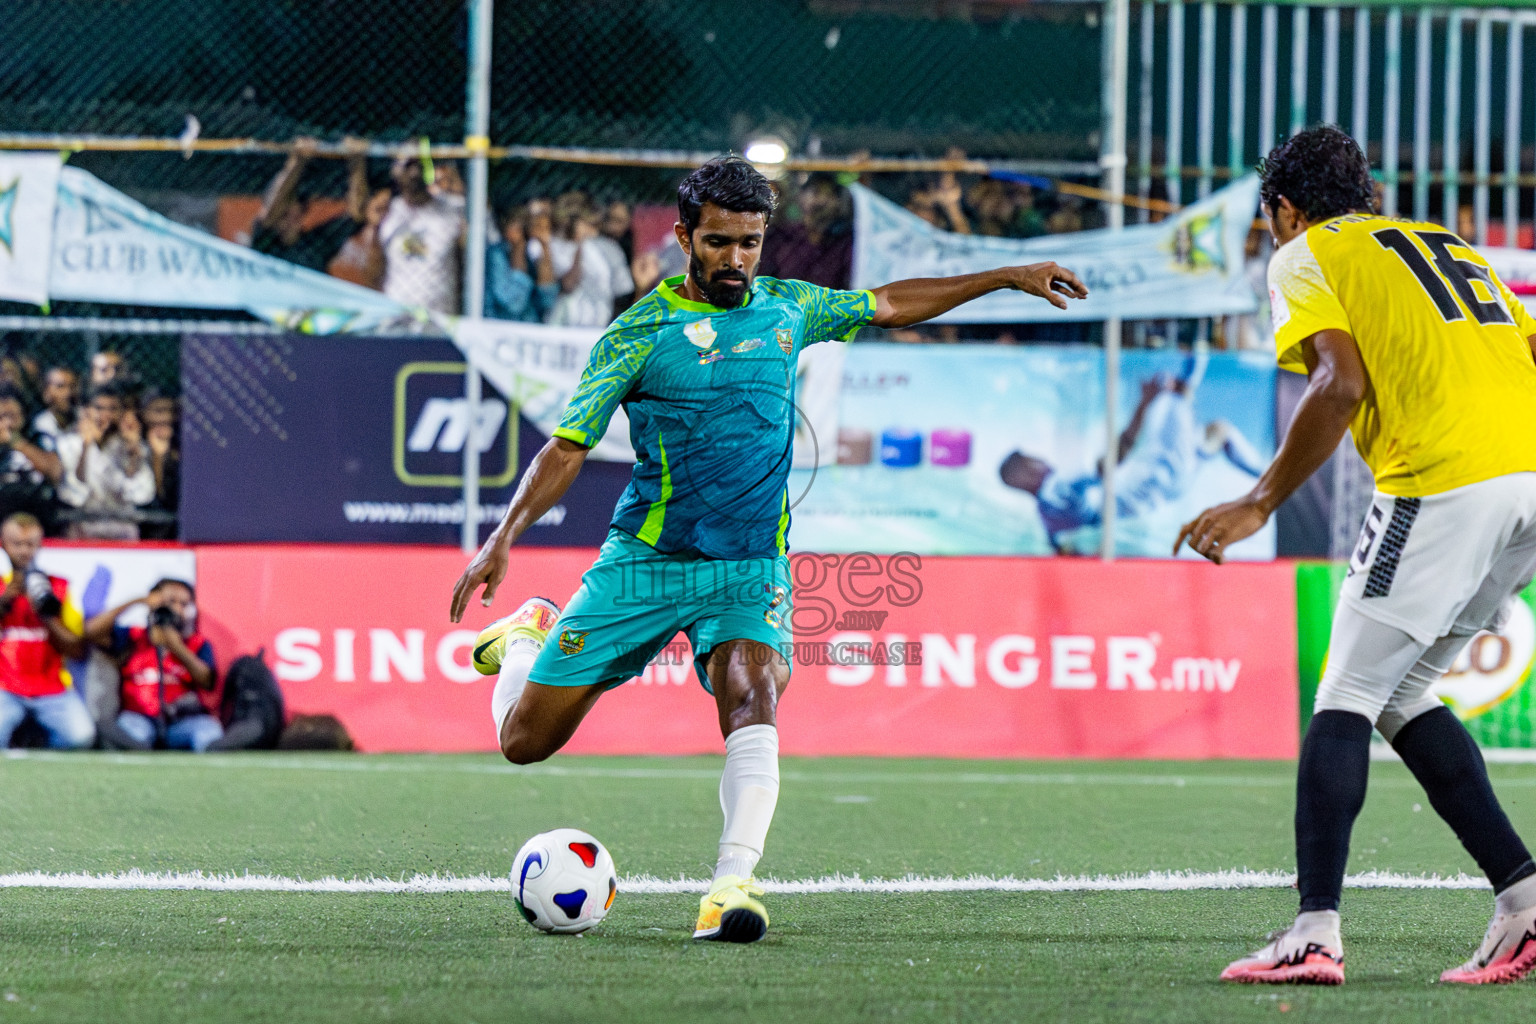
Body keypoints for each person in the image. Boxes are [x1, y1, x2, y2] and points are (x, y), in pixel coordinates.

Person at [449, 156, 1087, 944]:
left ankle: (731, 885)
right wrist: (502, 539)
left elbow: (889, 303)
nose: (737, 260)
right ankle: (523, 638)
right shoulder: (638, 333)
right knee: (523, 743)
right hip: (647, 561)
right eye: (718, 243)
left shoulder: (788, 309)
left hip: (749, 566)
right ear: (683, 237)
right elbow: (568, 446)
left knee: (753, 689)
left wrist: (1003, 276)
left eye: (750, 242)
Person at [1178, 125, 1536, 986]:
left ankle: (1312, 933)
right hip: (1526, 480)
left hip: (1442, 480)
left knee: (1346, 692)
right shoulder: (1445, 244)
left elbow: (1337, 383)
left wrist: (1258, 500)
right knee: (1402, 692)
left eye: (1273, 219)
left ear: (1285, 209)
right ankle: (1525, 906)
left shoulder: (1306, 254)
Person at [999, 355, 1264, 554]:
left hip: (1157, 496)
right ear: (1025, 473)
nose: (1042, 460)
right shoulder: (1058, 487)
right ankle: (1268, 480)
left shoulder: (1047, 516)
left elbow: (1057, 547)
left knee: (1217, 431)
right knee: (1186, 400)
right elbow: (1112, 462)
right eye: (1032, 459)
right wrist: (1143, 404)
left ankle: (1266, 478)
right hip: (1158, 478)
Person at [84, 578, 220, 752]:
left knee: (209, 732)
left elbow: (208, 681)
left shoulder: (196, 643)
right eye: (170, 601)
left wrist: (175, 646)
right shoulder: (133, 636)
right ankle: (137, 749)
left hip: (182, 721)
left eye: (184, 604)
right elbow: (91, 631)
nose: (177, 608)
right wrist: (138, 601)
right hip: (138, 718)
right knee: (127, 732)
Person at [0, 512, 91, 749]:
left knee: (81, 737)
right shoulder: (2, 587)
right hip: (5, 686)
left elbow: (76, 649)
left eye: (30, 544)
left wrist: (46, 613)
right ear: (3, 544)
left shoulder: (58, 586)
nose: (23, 551)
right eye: (16, 544)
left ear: (40, 545)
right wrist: (5, 601)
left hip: (51, 688)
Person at [365, 148, 466, 314]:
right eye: (408, 165)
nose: (414, 173)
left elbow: (463, 265)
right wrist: (375, 228)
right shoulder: (388, 212)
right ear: (396, 171)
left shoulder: (451, 212)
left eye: (419, 165)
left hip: (439, 316)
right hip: (397, 314)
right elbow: (374, 273)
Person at [251, 136, 371, 274]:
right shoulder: (263, 243)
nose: (290, 220)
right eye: (283, 215)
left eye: (294, 214)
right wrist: (297, 161)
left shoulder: (316, 244)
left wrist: (357, 162)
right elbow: (273, 209)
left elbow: (357, 215)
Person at [55, 382, 156, 540]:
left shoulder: (132, 444)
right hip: (83, 524)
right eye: (99, 408)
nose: (106, 415)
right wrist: (85, 447)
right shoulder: (68, 443)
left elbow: (140, 495)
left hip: (122, 526)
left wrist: (133, 452)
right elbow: (73, 493)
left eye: (113, 409)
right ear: (87, 410)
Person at [536, 192, 635, 327]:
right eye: (587, 224)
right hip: (562, 326)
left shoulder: (610, 249)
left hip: (599, 328)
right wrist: (580, 247)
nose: (593, 231)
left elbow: (622, 294)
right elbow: (567, 285)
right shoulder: (550, 246)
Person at [757, 172, 853, 289]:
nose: (822, 200)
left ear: (838, 203)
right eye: (816, 192)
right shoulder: (781, 236)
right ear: (800, 197)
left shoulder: (846, 242)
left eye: (830, 195)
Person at [0, 384, 61, 529]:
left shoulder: (39, 438)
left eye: (12, 416)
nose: (7, 423)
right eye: (2, 417)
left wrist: (16, 442)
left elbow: (55, 472)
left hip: (37, 511)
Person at [484, 204, 558, 322]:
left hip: (530, 330)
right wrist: (519, 243)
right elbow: (513, 303)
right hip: (497, 328)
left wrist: (544, 244)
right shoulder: (496, 254)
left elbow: (547, 299)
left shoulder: (532, 255)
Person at [31, 366, 78, 447]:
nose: (68, 393)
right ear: (46, 393)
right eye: (60, 386)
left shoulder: (82, 417)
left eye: (72, 386)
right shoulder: (41, 425)